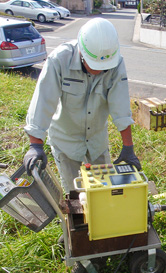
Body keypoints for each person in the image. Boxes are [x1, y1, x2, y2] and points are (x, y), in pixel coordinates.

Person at [23, 18, 141, 193]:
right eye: (94, 66)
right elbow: (43, 101)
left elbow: (121, 106)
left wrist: (128, 148)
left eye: (104, 69)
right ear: (82, 52)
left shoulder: (115, 63)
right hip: (66, 141)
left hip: (96, 140)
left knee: (106, 191)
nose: (99, 72)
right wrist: (35, 145)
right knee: (75, 194)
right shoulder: (59, 60)